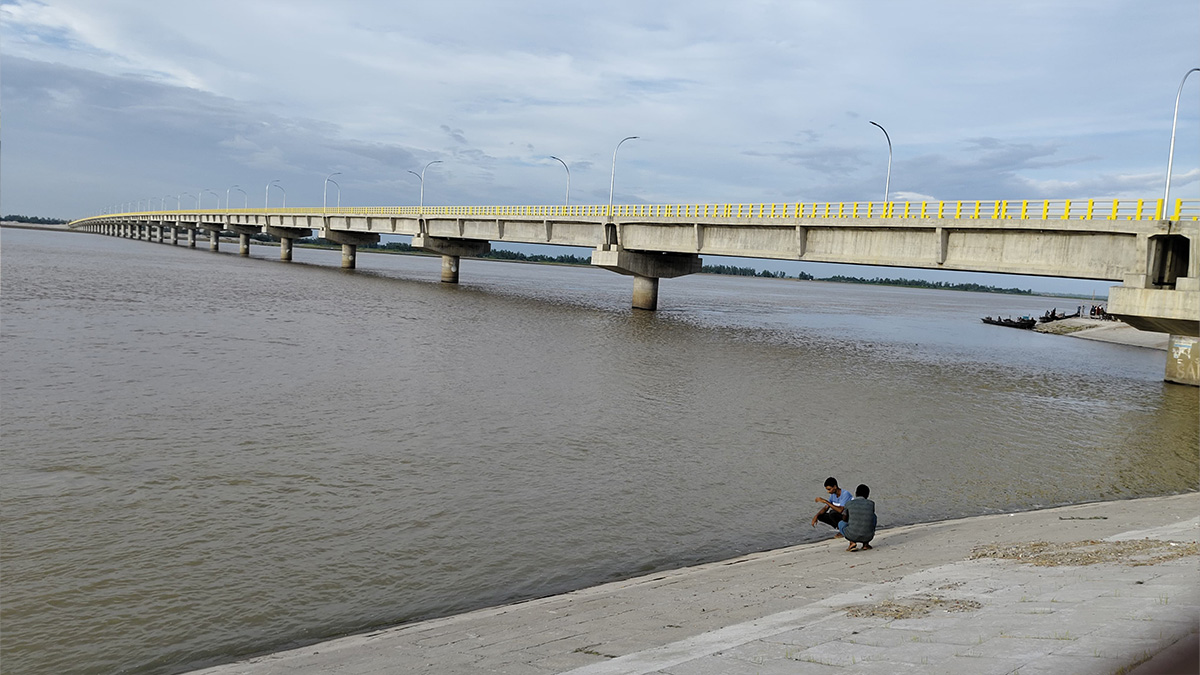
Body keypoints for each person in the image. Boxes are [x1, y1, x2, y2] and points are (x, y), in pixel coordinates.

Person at [838, 484, 877, 552]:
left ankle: (852, 542)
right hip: (868, 536)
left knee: (841, 523)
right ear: (867, 495)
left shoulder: (849, 503)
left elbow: (844, 518)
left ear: (856, 493)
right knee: (873, 516)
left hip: (852, 535)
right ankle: (866, 544)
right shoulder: (871, 504)